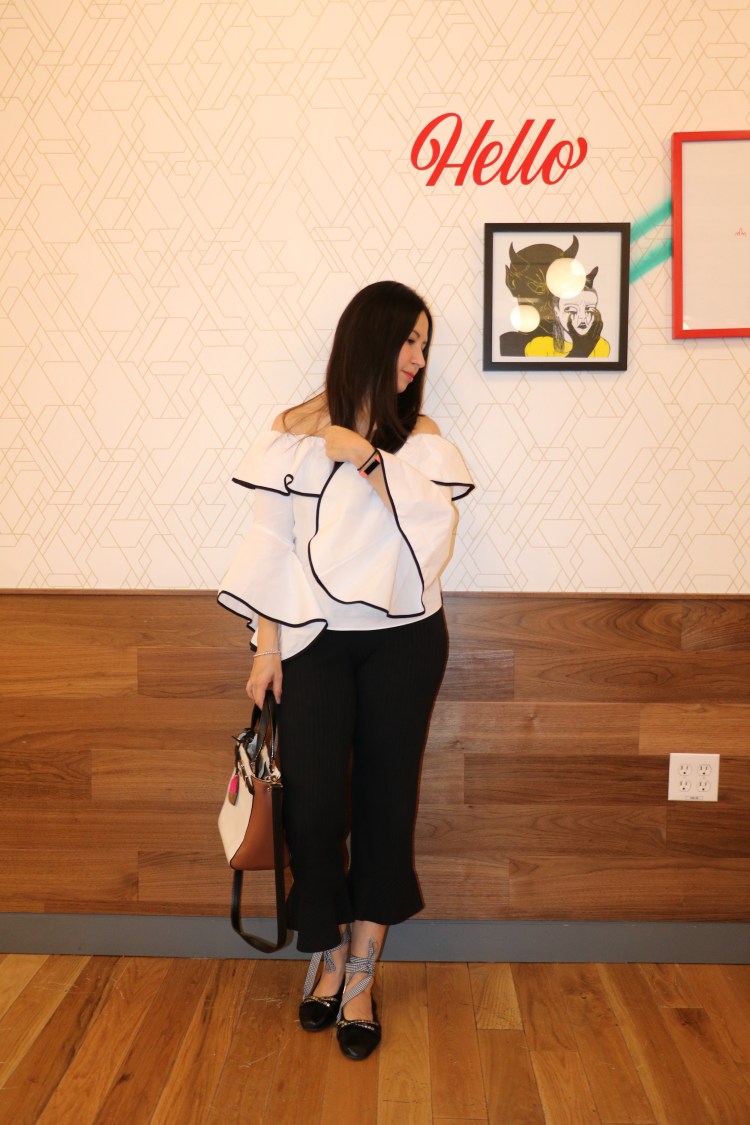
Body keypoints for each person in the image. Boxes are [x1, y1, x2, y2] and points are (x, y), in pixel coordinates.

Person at [218, 280, 473, 1061]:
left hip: (406, 641)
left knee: (388, 802)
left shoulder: (420, 438)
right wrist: (265, 647)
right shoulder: (291, 435)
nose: (418, 357)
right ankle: (327, 952)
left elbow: (430, 538)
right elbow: (272, 544)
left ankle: (361, 972)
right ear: (370, 336)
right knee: (315, 807)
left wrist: (365, 456)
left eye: (424, 343)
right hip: (313, 641)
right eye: (408, 339)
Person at [524, 267, 610, 359]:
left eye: (589, 309)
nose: (582, 316)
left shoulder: (601, 346)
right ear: (557, 312)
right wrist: (580, 350)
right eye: (571, 309)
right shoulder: (539, 346)